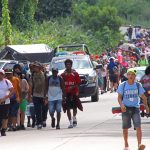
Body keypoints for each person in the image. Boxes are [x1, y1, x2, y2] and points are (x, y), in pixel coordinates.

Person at [117, 68, 149, 150]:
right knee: (125, 128)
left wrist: (146, 107)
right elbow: (119, 98)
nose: (131, 76)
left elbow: (144, 98)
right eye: (129, 74)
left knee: (138, 127)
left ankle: (139, 144)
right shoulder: (123, 85)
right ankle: (126, 145)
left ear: (135, 76)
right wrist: (121, 105)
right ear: (127, 76)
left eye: (132, 75)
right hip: (125, 109)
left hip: (135, 109)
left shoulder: (138, 85)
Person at [61, 59, 81, 128]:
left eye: (69, 64)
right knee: (68, 108)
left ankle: (74, 117)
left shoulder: (75, 74)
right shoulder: (63, 75)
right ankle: (70, 122)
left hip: (74, 93)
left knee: (75, 107)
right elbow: (61, 85)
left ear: (71, 65)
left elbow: (78, 83)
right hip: (66, 94)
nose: (68, 66)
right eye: (67, 64)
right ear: (65, 65)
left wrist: (73, 88)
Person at [28, 62, 47, 129]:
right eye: (34, 67)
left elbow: (46, 86)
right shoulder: (32, 75)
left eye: (36, 67)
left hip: (43, 95)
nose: (35, 68)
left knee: (44, 109)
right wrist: (30, 95)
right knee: (37, 109)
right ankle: (39, 123)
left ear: (40, 68)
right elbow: (30, 86)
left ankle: (44, 119)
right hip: (36, 94)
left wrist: (46, 96)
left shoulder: (44, 74)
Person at [0, 69, 14, 136]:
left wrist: (5, 97)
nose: (0, 75)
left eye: (1, 74)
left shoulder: (7, 82)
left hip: (5, 102)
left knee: (5, 117)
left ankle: (3, 130)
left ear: (3, 75)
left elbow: (12, 91)